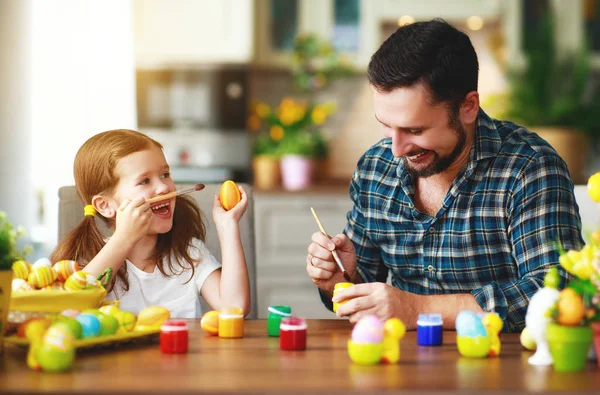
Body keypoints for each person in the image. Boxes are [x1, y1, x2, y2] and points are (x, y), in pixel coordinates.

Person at [305, 19, 583, 332]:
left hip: (503, 370)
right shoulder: (375, 169)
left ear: (468, 106)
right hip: (398, 365)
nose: (396, 149)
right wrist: (340, 278)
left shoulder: (530, 168)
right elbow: (364, 289)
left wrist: (415, 309)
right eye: (385, 125)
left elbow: (557, 296)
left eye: (415, 130)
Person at [50, 129, 250, 318]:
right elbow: (67, 310)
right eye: (144, 181)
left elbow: (235, 307)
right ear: (105, 205)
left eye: (165, 174)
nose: (163, 187)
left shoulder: (188, 254)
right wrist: (123, 240)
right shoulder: (87, 260)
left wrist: (228, 225)